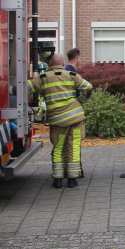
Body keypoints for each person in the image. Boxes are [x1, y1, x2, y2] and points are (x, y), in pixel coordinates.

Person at [27, 54, 92, 188]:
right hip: (75, 117)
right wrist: (80, 101)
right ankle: (72, 179)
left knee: (58, 147)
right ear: (63, 65)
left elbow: (22, 88)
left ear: (50, 64)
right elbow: (88, 88)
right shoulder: (71, 75)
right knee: (73, 147)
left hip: (58, 121)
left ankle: (57, 179)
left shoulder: (42, 78)